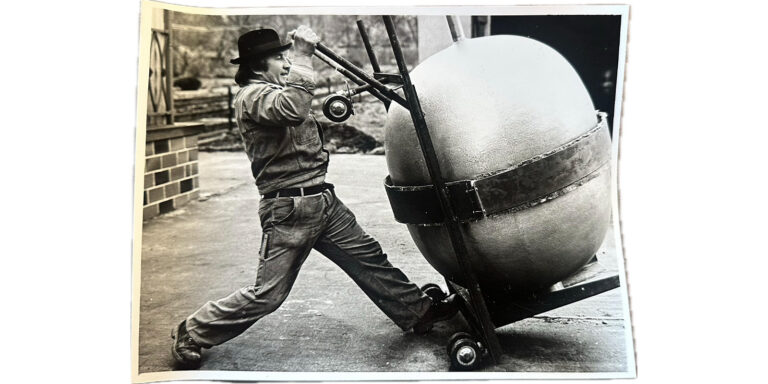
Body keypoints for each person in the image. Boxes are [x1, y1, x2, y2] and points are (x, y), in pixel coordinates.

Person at [171, 26, 458, 368]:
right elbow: (292, 109)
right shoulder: (252, 97)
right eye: (279, 58)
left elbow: (297, 108)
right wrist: (303, 55)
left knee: (367, 257)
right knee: (268, 295)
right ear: (258, 66)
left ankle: (420, 311)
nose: (286, 64)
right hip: (289, 209)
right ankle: (194, 330)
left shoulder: (276, 91)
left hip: (322, 200)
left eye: (286, 57)